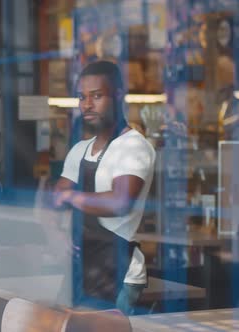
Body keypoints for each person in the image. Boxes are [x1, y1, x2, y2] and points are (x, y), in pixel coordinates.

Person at [52, 61, 156, 315]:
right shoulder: (80, 150)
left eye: (96, 96)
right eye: (81, 97)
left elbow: (119, 202)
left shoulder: (133, 146)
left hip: (118, 271)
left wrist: (71, 195)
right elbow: (54, 199)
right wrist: (58, 232)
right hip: (83, 267)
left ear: (118, 96)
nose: (87, 105)